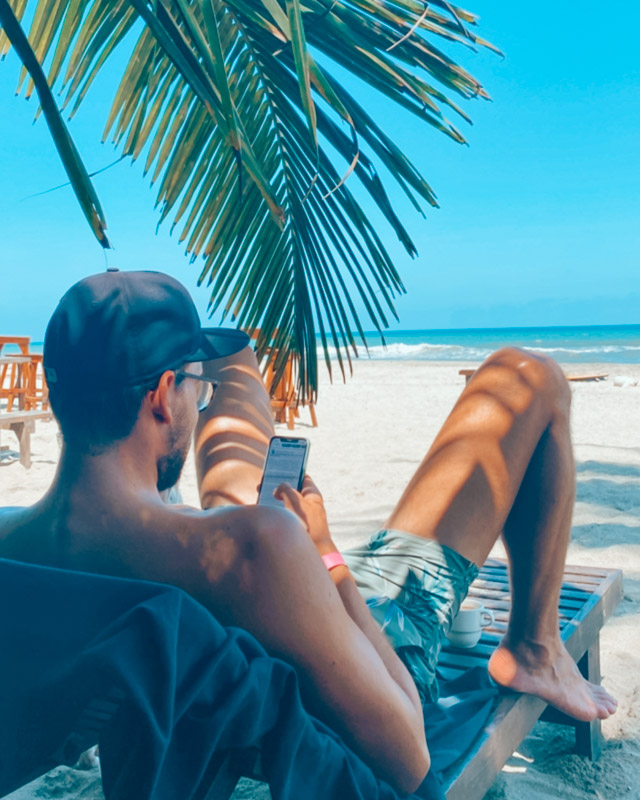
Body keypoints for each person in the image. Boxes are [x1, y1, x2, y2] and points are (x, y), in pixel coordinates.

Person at [0, 269, 617, 796]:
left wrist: (261, 530)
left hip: (235, 630)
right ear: (163, 396)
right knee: (529, 374)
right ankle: (533, 650)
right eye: (196, 387)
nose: (201, 399)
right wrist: (325, 554)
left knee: (235, 355)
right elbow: (410, 756)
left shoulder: (15, 547)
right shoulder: (255, 548)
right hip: (360, 638)